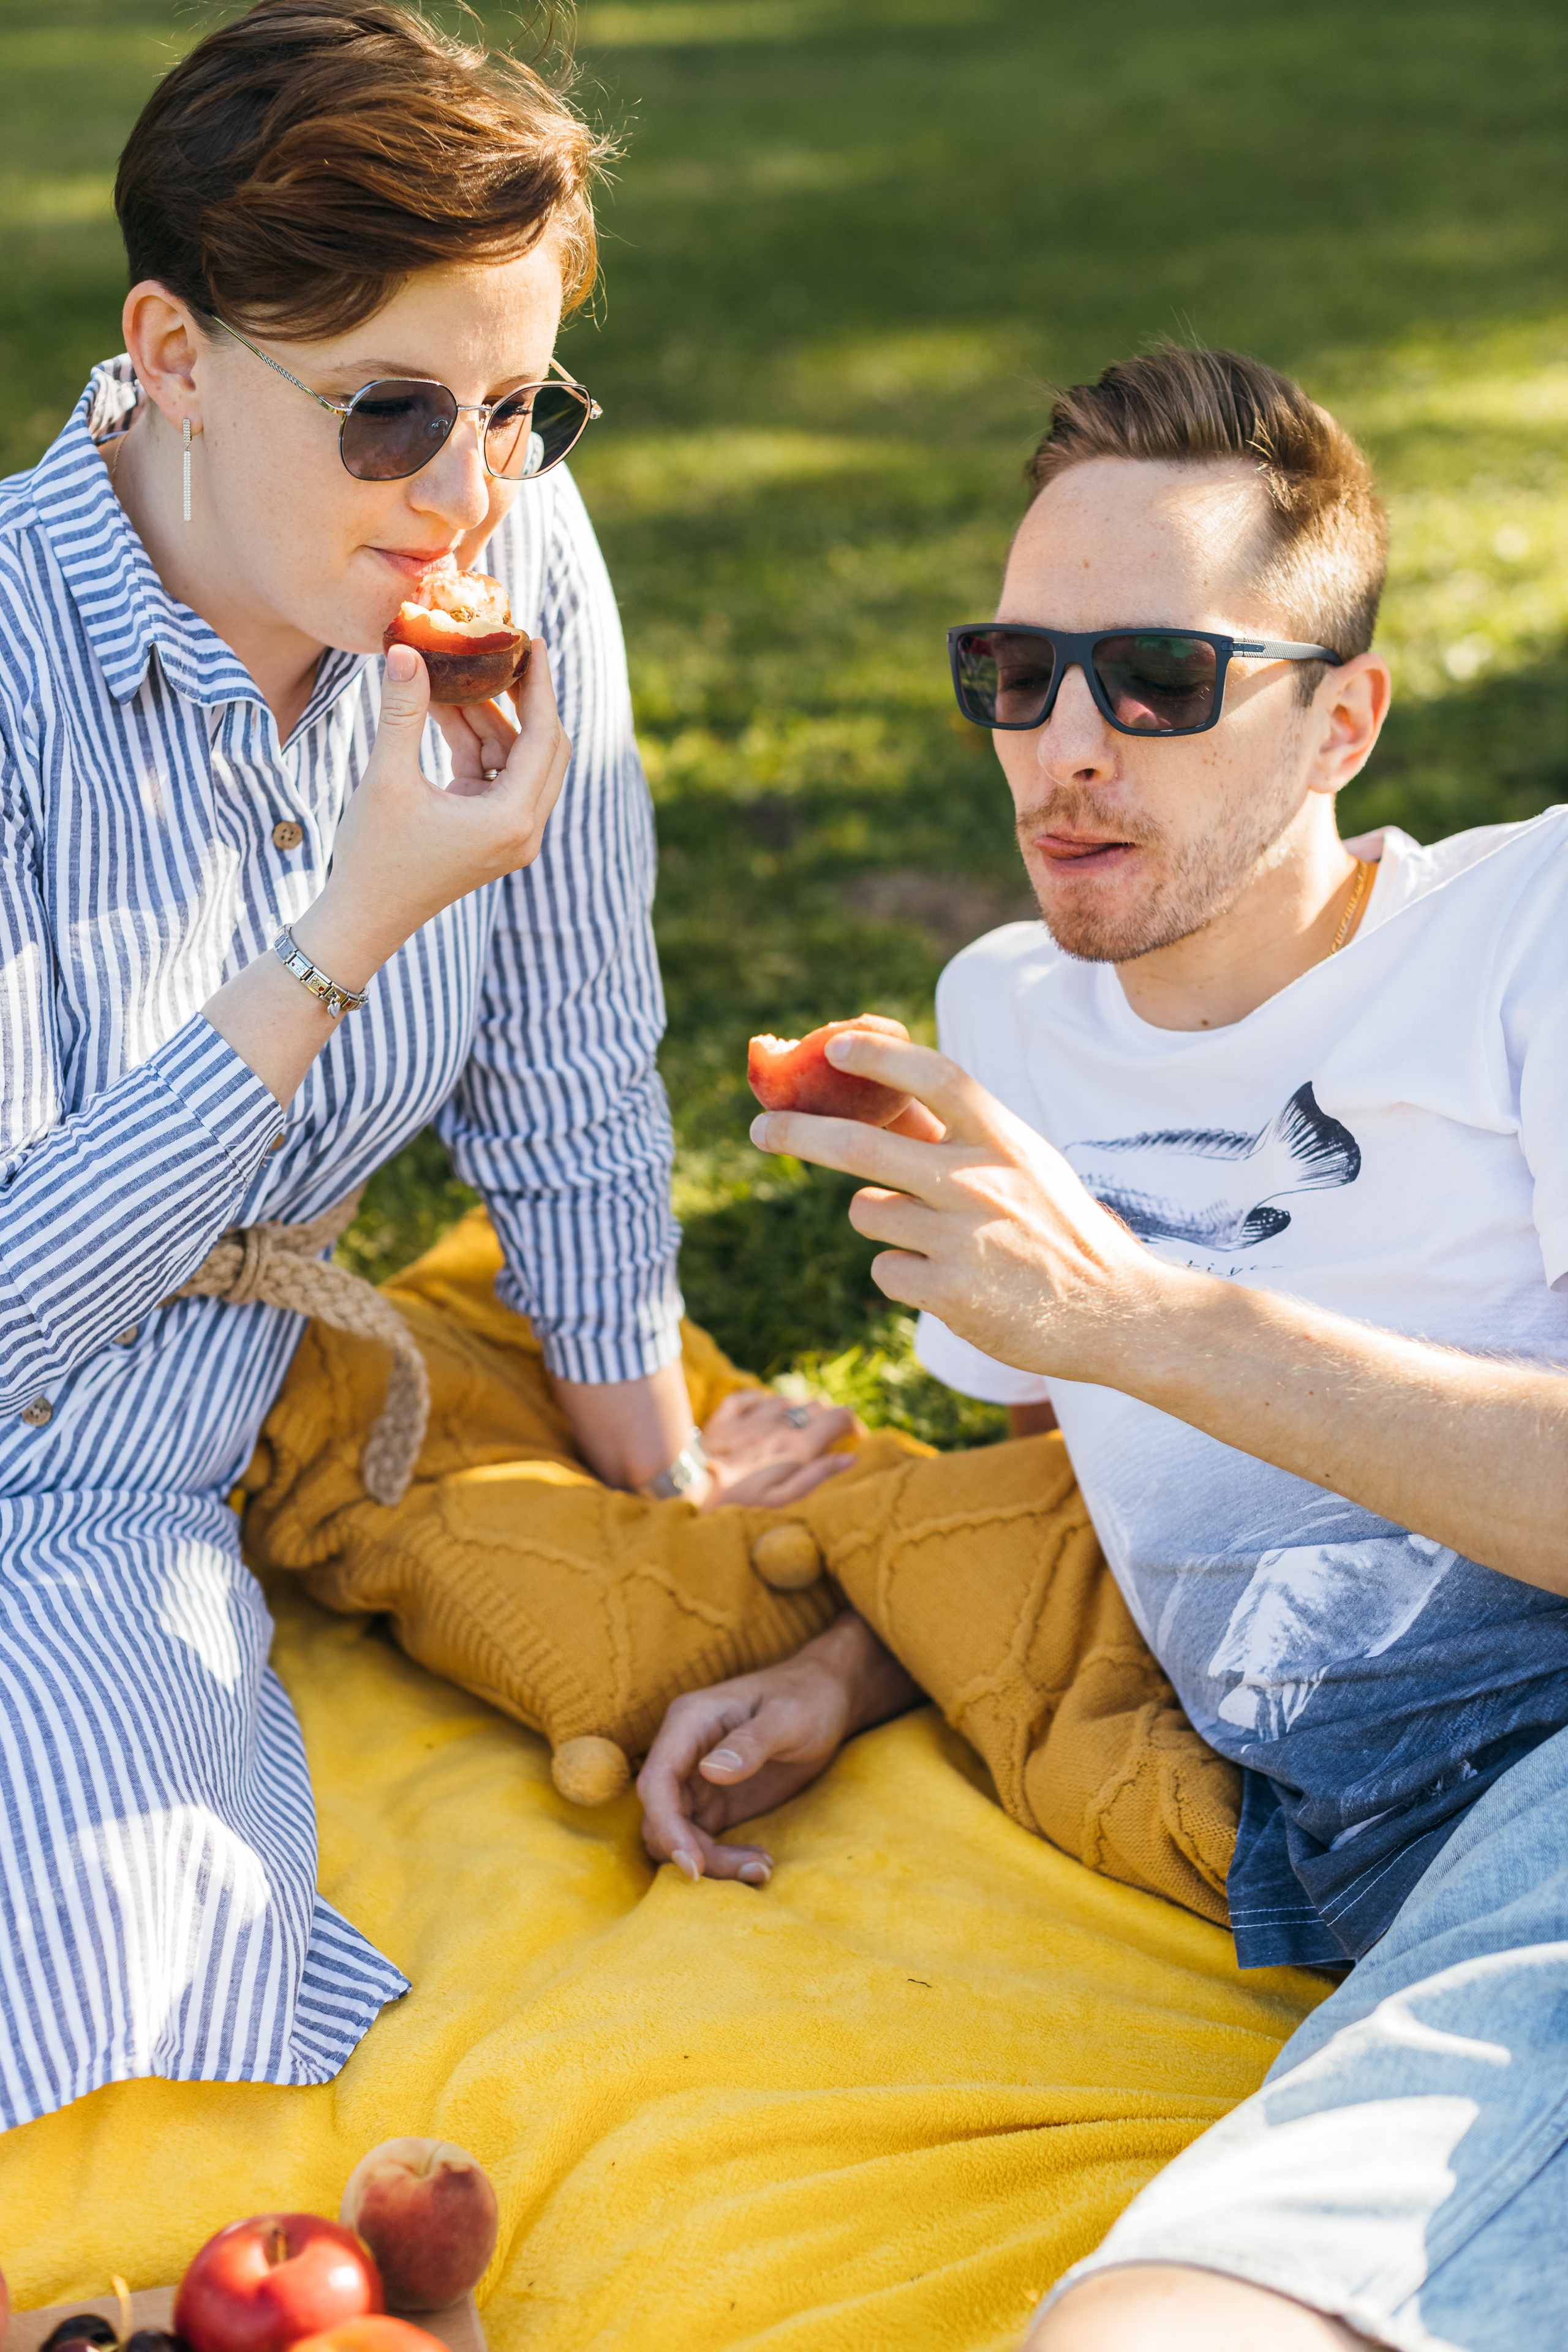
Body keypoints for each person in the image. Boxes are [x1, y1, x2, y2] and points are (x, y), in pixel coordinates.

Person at [636, 346, 1568, 2351]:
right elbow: (1093, 1459)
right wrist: (852, 1666)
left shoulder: (1528, 938)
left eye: (1155, 679)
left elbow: (1135, 1355)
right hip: (1372, 1867)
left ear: (1344, 721)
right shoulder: (1017, 1017)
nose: (1066, 746)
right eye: (1016, 673)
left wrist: (1142, 1312)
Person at [0, 0, 848, 2136]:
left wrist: (653, 1476)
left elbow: (566, 1057)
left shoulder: (507, 551)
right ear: (173, 354)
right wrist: (339, 933)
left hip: (126, 1497)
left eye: (519, 407)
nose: (468, 492)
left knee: (132, 1998)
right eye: (389, 415)